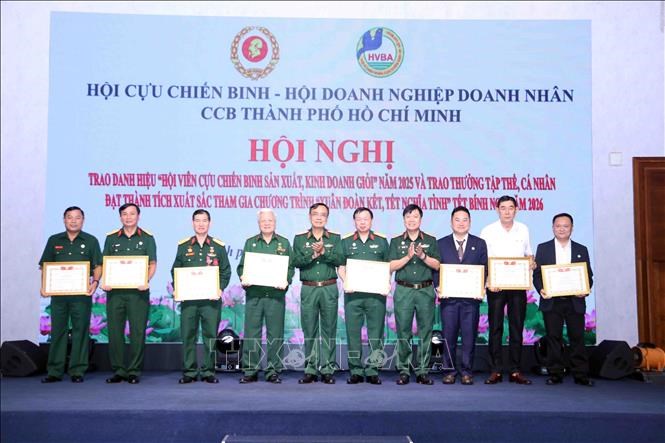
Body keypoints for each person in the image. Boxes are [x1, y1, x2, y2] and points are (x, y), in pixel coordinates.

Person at [39, 206, 102, 383]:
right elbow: (45, 266)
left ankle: (77, 370)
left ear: (83, 220)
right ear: (64, 219)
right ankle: (54, 371)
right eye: (69, 217)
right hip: (59, 295)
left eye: (77, 217)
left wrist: (95, 283)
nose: (73, 221)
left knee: (80, 331)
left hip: (81, 295)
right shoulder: (54, 240)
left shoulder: (91, 241)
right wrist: (44, 287)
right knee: (57, 331)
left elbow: (98, 266)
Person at [533, 213, 594, 387]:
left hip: (574, 301)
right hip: (552, 301)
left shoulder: (581, 249)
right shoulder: (543, 248)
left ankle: (581, 374)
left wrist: (585, 289)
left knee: (577, 337)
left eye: (565, 226)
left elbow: (588, 276)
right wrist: (541, 289)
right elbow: (537, 275)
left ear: (572, 228)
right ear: (553, 228)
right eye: (558, 226)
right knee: (553, 338)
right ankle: (555, 373)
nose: (562, 229)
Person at [171, 209, 231, 384]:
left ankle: (208, 371)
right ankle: (189, 372)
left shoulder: (218, 247)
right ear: (192, 223)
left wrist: (220, 288)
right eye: (197, 220)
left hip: (210, 301)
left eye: (204, 220)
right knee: (188, 335)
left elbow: (226, 271)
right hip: (189, 300)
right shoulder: (183, 246)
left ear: (209, 223)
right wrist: (177, 288)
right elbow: (175, 271)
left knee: (210, 336)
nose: (201, 224)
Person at [480, 195, 534, 385]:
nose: (507, 211)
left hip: (517, 286)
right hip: (496, 286)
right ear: (497, 210)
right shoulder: (488, 231)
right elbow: (483, 259)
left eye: (511, 208)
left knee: (516, 327)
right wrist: (488, 280)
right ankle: (495, 370)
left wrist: (531, 262)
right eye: (503, 208)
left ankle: (515, 370)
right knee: (495, 327)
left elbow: (528, 254)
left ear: (516, 210)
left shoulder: (523, 229)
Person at [101, 203, 156, 384]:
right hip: (115, 293)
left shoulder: (147, 238)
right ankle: (119, 370)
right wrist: (105, 281)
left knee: (137, 332)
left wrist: (146, 280)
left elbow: (152, 264)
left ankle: (134, 370)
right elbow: (105, 263)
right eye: (125, 214)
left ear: (138, 216)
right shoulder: (111, 238)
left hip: (138, 294)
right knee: (115, 332)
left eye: (132, 214)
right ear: (120, 217)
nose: (128, 217)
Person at [237, 209, 294, 384]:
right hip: (254, 295)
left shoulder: (284, 243)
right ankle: (250, 370)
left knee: (275, 335)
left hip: (275, 296)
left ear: (275, 222)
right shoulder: (251, 243)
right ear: (259, 223)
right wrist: (243, 277)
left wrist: (286, 280)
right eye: (263, 221)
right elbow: (242, 267)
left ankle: (273, 371)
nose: (267, 223)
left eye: (270, 220)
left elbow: (290, 267)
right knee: (251, 334)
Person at [389, 204, 441, 385]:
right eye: (408, 217)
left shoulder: (430, 240)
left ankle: (423, 371)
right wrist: (408, 256)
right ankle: (404, 370)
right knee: (403, 331)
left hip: (425, 290)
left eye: (415, 216)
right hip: (404, 290)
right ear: (404, 220)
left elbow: (437, 265)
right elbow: (390, 266)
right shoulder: (396, 241)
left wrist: (423, 256)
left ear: (421, 219)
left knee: (425, 332)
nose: (412, 220)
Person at [435, 206, 488, 385]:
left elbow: (484, 269)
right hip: (448, 300)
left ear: (470, 222)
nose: (461, 223)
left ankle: (466, 371)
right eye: (457, 220)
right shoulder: (441, 244)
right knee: (448, 337)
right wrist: (438, 286)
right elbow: (436, 269)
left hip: (470, 300)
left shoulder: (479, 243)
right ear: (451, 223)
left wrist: (481, 287)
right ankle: (449, 371)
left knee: (469, 337)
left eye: (465, 220)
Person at [292, 203, 344, 384]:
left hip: (329, 287)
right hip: (309, 288)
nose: (319, 217)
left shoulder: (335, 238)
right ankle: (311, 369)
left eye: (323, 214)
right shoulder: (300, 239)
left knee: (329, 329)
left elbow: (340, 259)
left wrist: (324, 251)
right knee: (309, 329)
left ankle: (328, 369)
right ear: (310, 216)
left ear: (327, 218)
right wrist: (313, 255)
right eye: (315, 214)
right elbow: (296, 261)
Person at [338, 207, 390, 385]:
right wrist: (346, 281)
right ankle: (356, 371)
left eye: (365, 218)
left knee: (376, 335)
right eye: (359, 219)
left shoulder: (381, 241)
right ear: (354, 221)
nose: (362, 222)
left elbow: (387, 267)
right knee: (353, 334)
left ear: (371, 221)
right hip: (353, 296)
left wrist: (386, 283)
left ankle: (373, 370)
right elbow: (341, 267)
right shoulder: (345, 241)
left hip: (376, 296)